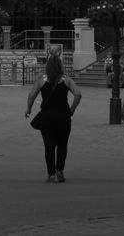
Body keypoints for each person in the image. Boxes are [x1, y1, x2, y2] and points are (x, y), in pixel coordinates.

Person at [26, 54, 82, 183]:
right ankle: (60, 171)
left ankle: (51, 174)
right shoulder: (66, 79)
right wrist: (71, 110)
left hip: (47, 117)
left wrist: (28, 109)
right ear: (60, 66)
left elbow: (31, 96)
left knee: (49, 146)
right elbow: (78, 94)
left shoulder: (42, 79)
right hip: (63, 116)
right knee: (62, 145)